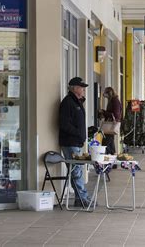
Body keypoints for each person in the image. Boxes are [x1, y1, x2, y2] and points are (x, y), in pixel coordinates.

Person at [59, 77, 91, 207]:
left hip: (76, 142)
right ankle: (82, 198)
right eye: (81, 87)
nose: (83, 90)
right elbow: (64, 124)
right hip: (70, 142)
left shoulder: (77, 102)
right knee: (76, 171)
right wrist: (78, 133)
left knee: (77, 171)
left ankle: (80, 198)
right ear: (74, 88)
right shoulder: (68, 102)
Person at [99, 87, 122, 155]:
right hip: (110, 125)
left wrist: (103, 112)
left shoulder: (115, 101)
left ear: (109, 93)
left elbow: (115, 114)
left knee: (105, 143)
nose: (104, 95)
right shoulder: (112, 100)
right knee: (110, 143)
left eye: (105, 93)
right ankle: (112, 160)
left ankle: (106, 157)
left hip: (111, 125)